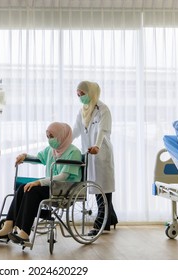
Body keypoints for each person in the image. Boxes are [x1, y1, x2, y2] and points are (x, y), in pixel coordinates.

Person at [0, 122, 82, 244]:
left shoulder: (74, 152)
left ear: (61, 135)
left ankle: (24, 233)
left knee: (33, 190)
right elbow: (38, 158)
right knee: (23, 188)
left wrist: (39, 182)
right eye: (47, 136)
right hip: (52, 186)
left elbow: (63, 176)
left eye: (52, 136)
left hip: (65, 189)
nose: (49, 140)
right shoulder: (51, 150)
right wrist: (24, 156)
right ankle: (8, 226)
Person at [72, 80, 118, 236]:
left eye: (82, 94)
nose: (80, 97)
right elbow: (76, 130)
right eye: (78, 94)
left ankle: (100, 224)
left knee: (103, 188)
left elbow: (102, 131)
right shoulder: (83, 110)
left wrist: (97, 146)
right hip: (89, 153)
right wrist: (63, 143)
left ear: (91, 92)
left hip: (101, 152)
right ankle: (110, 218)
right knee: (99, 188)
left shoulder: (103, 109)